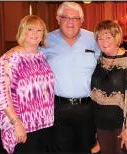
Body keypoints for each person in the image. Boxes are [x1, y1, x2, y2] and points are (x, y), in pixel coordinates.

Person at [40, 2, 101, 153]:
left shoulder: (94, 39)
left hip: (87, 109)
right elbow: (27, 54)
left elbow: (110, 57)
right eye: (66, 17)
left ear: (82, 20)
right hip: (57, 108)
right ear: (58, 19)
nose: (70, 22)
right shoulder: (45, 41)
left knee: (86, 149)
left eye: (75, 18)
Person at [0, 15, 55, 154]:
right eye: (30, 29)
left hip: (43, 123)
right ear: (22, 31)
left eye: (39, 30)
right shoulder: (11, 57)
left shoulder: (41, 56)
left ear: (43, 35)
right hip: (23, 124)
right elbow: (2, 94)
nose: (35, 33)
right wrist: (16, 123)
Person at [91, 20, 127, 154]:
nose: (104, 42)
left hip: (121, 124)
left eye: (108, 37)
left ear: (117, 37)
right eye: (100, 38)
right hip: (100, 122)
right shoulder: (97, 59)